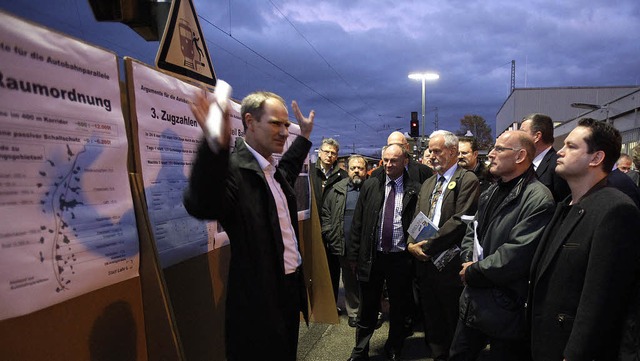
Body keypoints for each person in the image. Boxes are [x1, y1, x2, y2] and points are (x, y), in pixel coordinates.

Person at [183, 90, 314, 361]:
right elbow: (202, 204)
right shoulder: (233, 171)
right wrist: (213, 148)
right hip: (258, 303)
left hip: (287, 292)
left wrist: (304, 137)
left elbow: (288, 168)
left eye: (286, 125)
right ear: (250, 122)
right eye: (276, 123)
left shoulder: (271, 171)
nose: (283, 131)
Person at [528, 118, 640, 361]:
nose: (561, 151)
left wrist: (576, 352)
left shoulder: (615, 209)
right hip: (546, 342)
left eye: (571, 146)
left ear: (596, 158)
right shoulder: (566, 204)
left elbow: (602, 295)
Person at [450, 131, 555, 361]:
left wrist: (472, 271)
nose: (492, 155)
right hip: (474, 300)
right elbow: (473, 230)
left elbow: (516, 255)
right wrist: (468, 260)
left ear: (520, 156)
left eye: (499, 149)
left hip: (505, 307)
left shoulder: (538, 198)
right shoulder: (492, 190)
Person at [407, 130, 479, 361]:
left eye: (436, 150)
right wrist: (411, 245)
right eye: (430, 150)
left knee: (451, 319)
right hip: (425, 266)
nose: (431, 154)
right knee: (432, 318)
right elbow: (417, 218)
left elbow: (460, 220)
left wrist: (426, 247)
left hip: (449, 266)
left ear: (452, 151)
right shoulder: (428, 183)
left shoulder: (467, 180)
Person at [347, 144, 420, 361]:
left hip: (400, 258)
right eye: (385, 160)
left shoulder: (415, 189)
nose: (388, 164)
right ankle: (360, 350)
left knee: (398, 306)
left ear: (404, 161)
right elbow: (358, 221)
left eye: (393, 161)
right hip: (373, 256)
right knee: (367, 307)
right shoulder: (371, 185)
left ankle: (394, 346)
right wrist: (353, 255)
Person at [321, 155, 368, 327]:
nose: (356, 171)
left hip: (367, 247)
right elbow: (326, 213)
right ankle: (354, 313)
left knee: (369, 280)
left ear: (365, 170)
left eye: (360, 168)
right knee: (349, 280)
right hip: (344, 245)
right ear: (347, 170)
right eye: (353, 168)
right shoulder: (336, 190)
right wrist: (328, 233)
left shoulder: (373, 188)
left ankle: (370, 312)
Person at [520, 113, 571, 201]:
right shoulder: (524, 165)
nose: (518, 137)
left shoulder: (558, 166)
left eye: (522, 133)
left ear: (537, 136)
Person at [311, 138, 348, 214]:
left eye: (333, 153)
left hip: (332, 219)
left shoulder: (343, 176)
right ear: (319, 153)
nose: (329, 155)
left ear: (336, 156)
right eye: (326, 152)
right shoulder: (309, 171)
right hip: (313, 217)